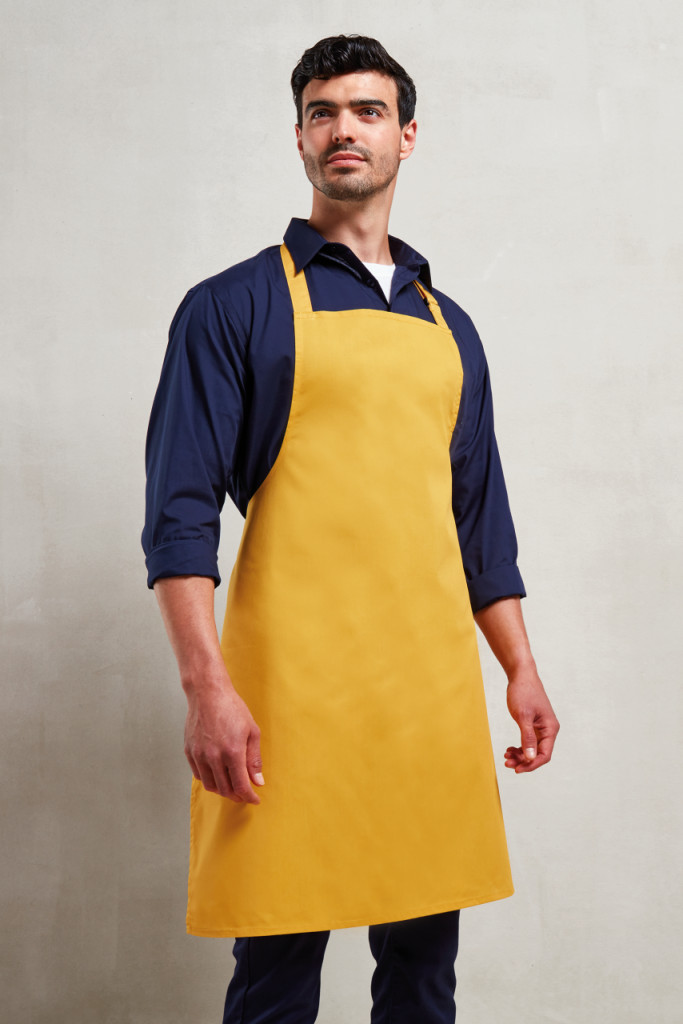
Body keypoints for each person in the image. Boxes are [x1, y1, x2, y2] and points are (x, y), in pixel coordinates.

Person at [142, 33, 559, 1024]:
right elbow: (179, 518)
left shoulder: (449, 327)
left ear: (405, 136)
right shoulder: (232, 306)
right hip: (286, 693)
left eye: (368, 111)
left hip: (424, 698)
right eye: (323, 111)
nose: (344, 129)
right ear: (298, 137)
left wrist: (520, 669)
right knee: (275, 970)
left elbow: (478, 520)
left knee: (421, 975)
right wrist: (207, 688)